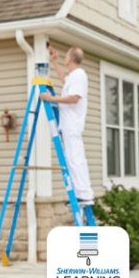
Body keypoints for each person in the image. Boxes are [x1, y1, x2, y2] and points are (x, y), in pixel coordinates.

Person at [39, 45, 96, 226]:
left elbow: (74, 98)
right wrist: (54, 62)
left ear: (71, 58)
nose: (64, 57)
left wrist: (52, 99)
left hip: (72, 126)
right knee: (73, 160)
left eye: (65, 56)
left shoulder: (80, 75)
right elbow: (65, 80)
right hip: (68, 125)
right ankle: (81, 194)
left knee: (76, 160)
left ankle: (84, 196)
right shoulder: (74, 76)